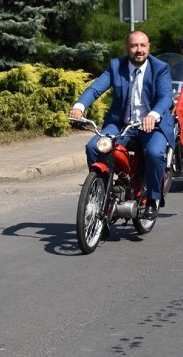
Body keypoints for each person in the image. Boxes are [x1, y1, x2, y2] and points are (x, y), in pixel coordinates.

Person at [69, 30, 175, 219]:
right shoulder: (116, 66)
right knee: (94, 146)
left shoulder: (160, 68)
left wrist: (153, 114)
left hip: (153, 125)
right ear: (127, 48)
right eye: (134, 45)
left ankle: (153, 198)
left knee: (154, 153)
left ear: (149, 47)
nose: (139, 50)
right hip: (120, 125)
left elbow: (165, 97)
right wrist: (79, 106)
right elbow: (95, 88)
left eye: (143, 45)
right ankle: (102, 189)